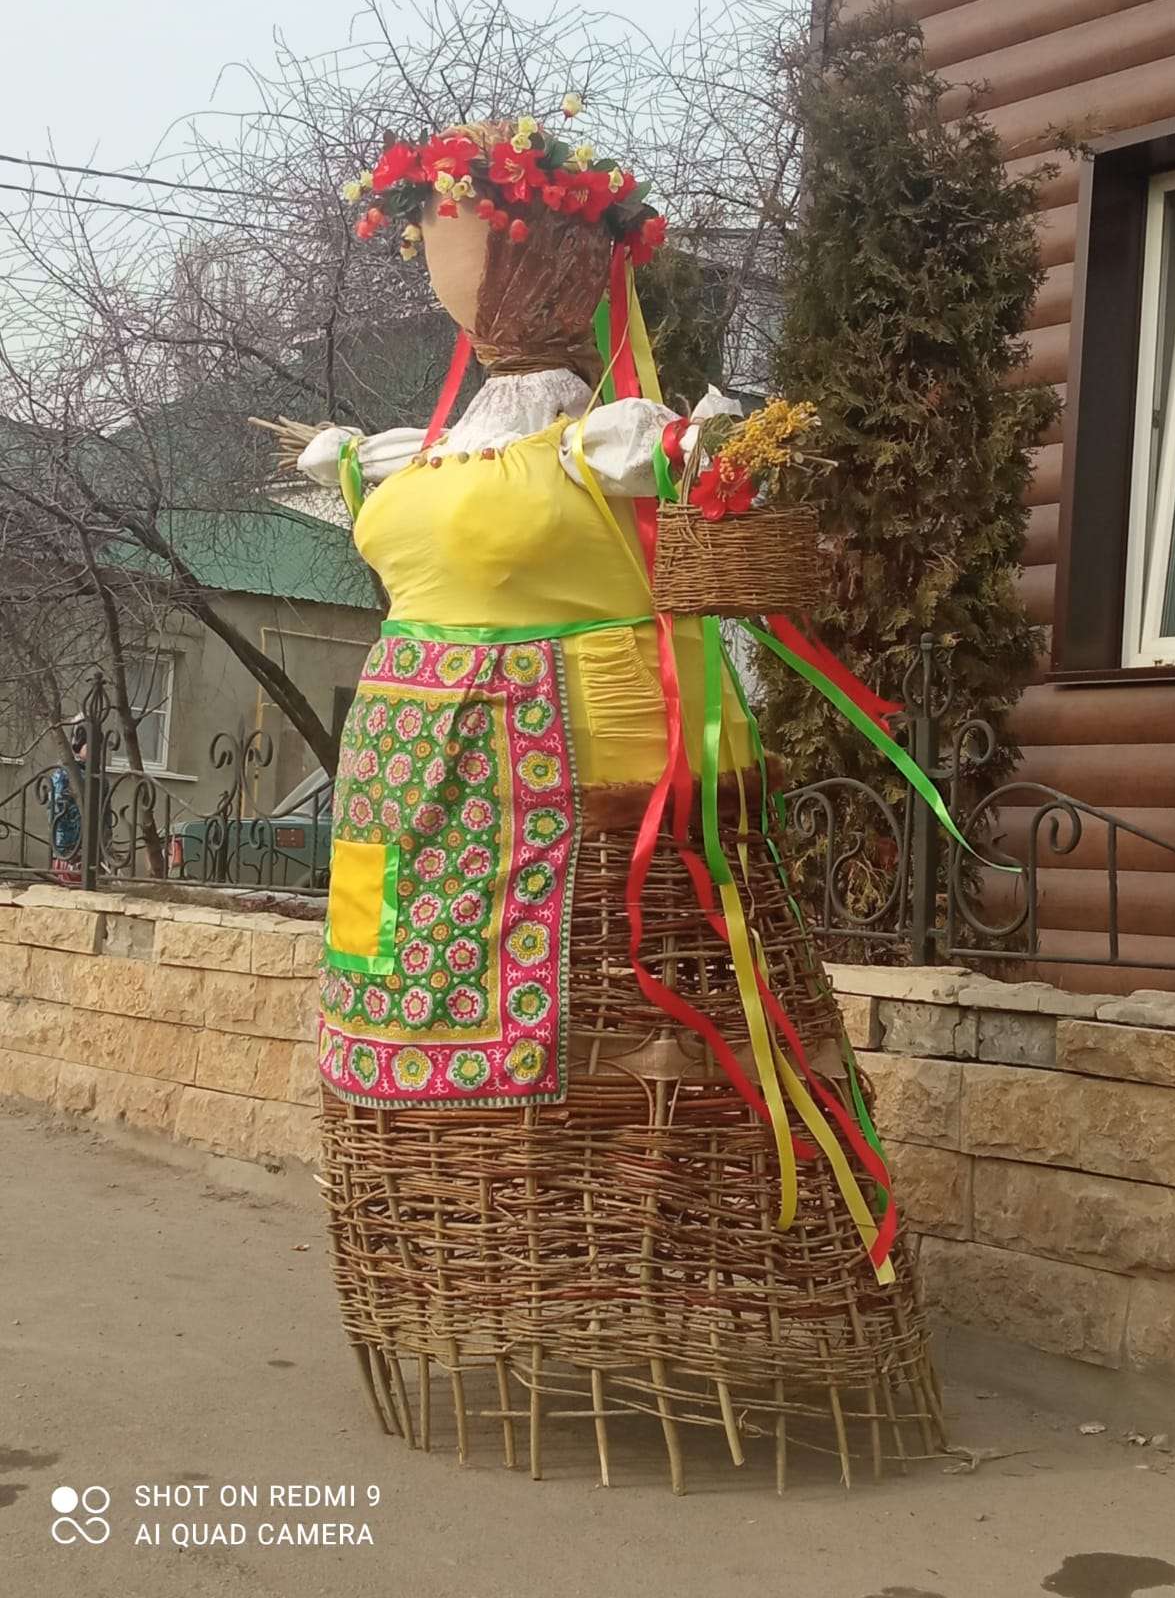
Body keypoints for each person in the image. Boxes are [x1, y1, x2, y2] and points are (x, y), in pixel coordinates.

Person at [289, 115, 941, 1489]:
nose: (439, 263)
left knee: (628, 1063)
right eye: (426, 233)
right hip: (401, 813)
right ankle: (456, 1275)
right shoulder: (404, 451)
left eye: (458, 232)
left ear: (545, 256)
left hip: (580, 793)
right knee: (384, 1031)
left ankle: (658, 1290)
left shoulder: (615, 439)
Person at [48, 722, 87, 884]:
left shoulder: (97, 775)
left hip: (90, 845)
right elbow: (55, 809)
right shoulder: (64, 774)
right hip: (68, 844)